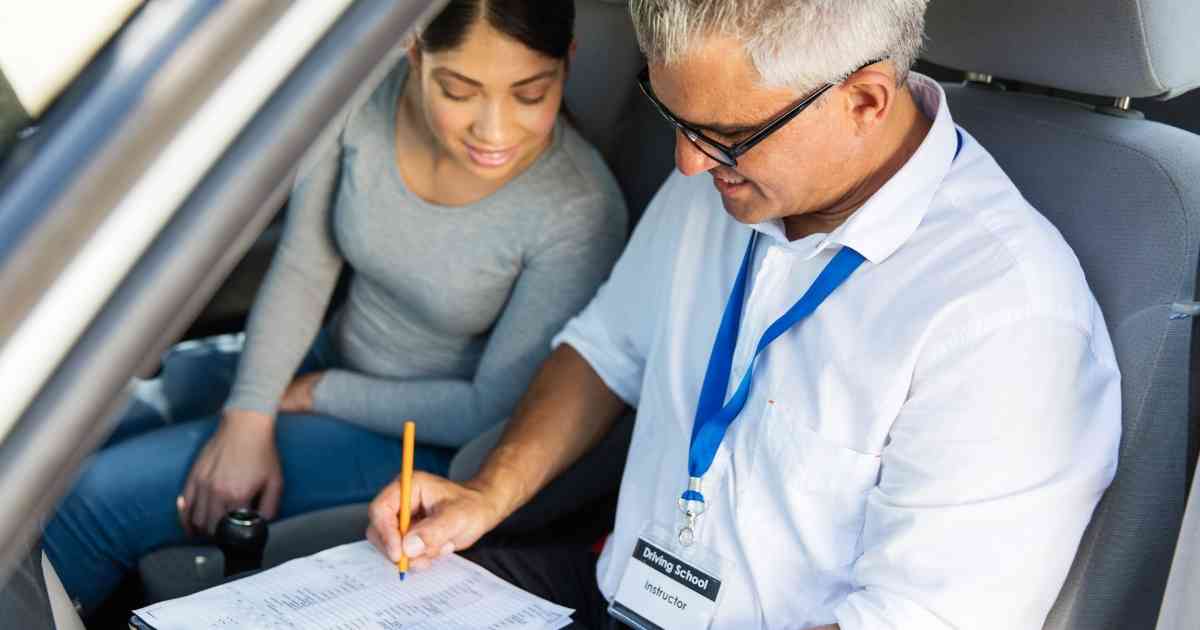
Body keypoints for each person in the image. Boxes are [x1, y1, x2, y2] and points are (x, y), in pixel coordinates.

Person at [365, 1, 1122, 628]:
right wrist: (485, 496)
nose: (688, 164)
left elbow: (912, 618)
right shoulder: (721, 184)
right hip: (611, 594)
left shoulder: (1006, 319)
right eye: (675, 118)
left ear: (863, 100)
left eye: (727, 137)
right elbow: (606, 350)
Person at [45, 0, 627, 614]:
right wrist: (250, 412)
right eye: (458, 90)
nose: (495, 129)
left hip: (420, 440)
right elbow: (303, 265)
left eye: (531, 95)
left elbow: (493, 410)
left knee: (90, 502)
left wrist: (312, 393)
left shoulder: (577, 208)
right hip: (322, 362)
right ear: (413, 50)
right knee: (67, 429)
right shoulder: (361, 98)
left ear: (567, 63)